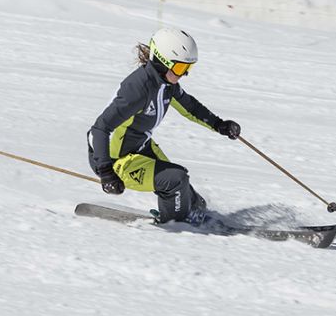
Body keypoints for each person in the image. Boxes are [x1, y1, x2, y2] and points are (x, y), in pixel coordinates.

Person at [86, 27, 241, 225]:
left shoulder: (166, 85)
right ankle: (176, 227)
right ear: (162, 61)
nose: (184, 75)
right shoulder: (138, 89)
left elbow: (190, 107)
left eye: (188, 69)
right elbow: (99, 129)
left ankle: (185, 215)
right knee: (175, 181)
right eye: (180, 69)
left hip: (141, 148)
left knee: (194, 201)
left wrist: (219, 125)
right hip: (116, 160)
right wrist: (107, 172)